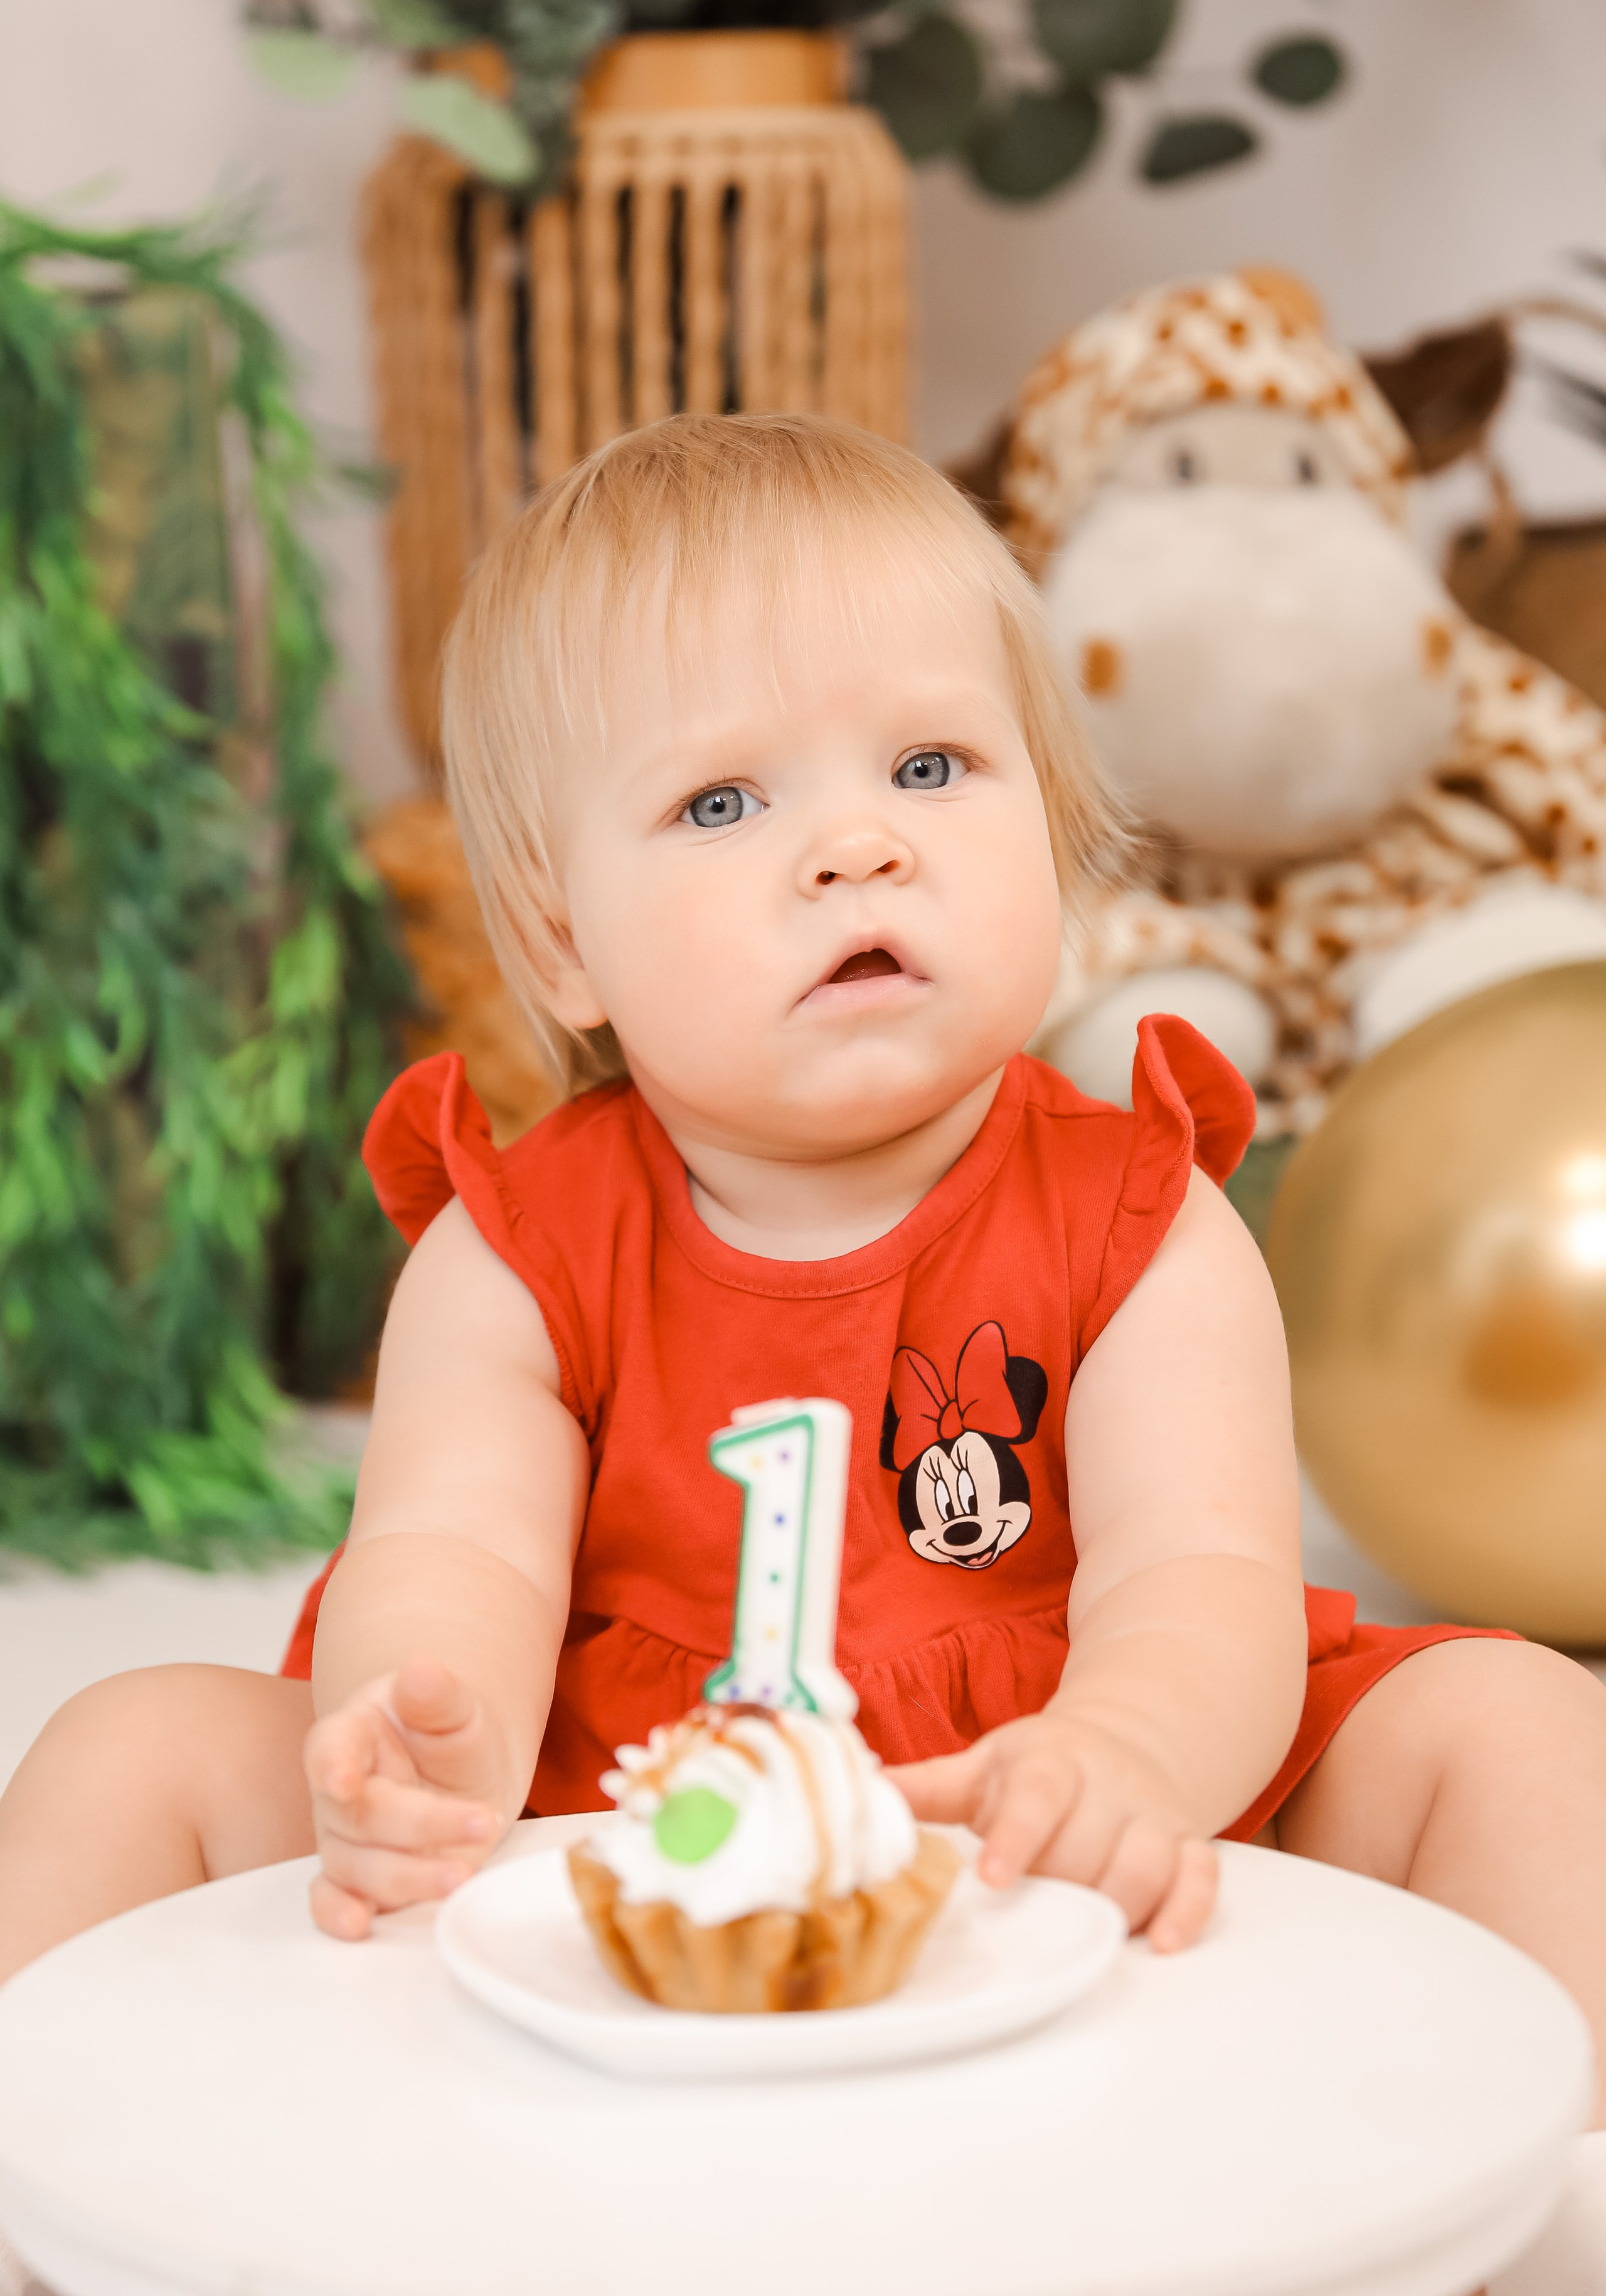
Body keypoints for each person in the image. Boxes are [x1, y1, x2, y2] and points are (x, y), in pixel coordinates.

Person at [3, 414, 1605, 2284]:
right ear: (560, 938)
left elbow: (1207, 1579)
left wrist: (1126, 1756)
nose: (859, 846)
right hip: (607, 1808)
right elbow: (455, 1554)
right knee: (124, 1749)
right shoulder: (516, 1250)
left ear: (1062, 832)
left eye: (932, 764)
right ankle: (65, 2205)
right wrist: (420, 1727)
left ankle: (1532, 2205)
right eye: (721, 804)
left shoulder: (1140, 1220)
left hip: (1060, 1815)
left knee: (1522, 1727)